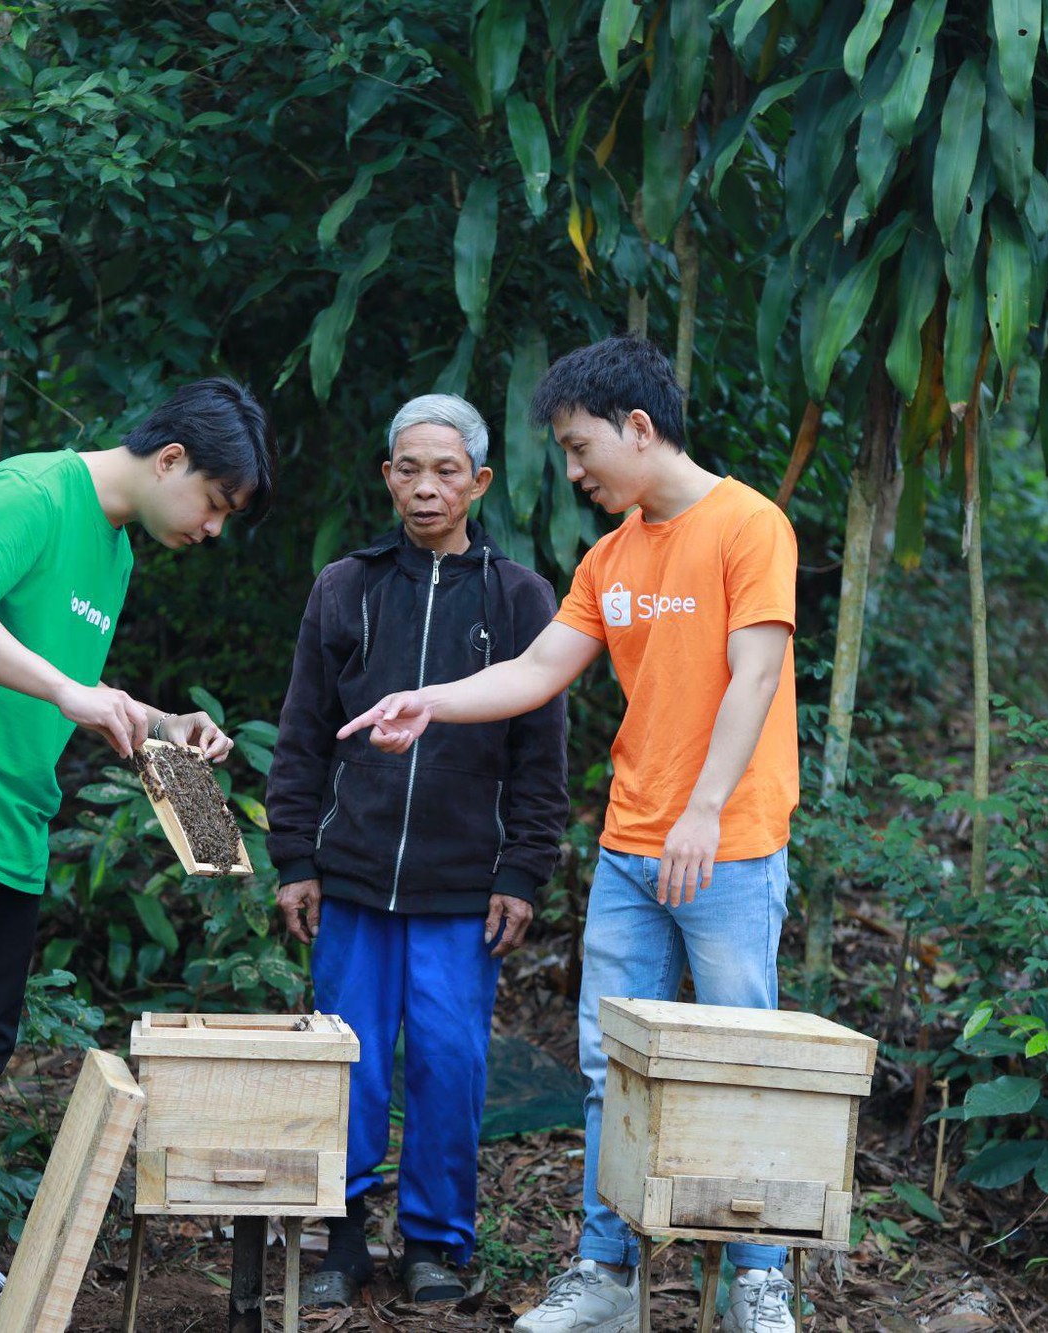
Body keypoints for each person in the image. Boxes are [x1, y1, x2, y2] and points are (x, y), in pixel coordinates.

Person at [338, 336, 801, 1333]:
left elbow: (755, 676)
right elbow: (537, 670)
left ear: (637, 428)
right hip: (631, 850)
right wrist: (431, 698)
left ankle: (757, 1276)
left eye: (581, 447)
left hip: (729, 841)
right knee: (608, 1062)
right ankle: (606, 1269)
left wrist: (704, 809)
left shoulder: (746, 526)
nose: (576, 471)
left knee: (738, 1060)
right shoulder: (611, 553)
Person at [0, 378, 273, 1333]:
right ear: (170, 461)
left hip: (9, 821)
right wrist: (74, 697)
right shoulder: (29, 492)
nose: (212, 530)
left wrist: (161, 720)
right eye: (215, 504)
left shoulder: (113, 549)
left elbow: (62, 678)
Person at [267, 394, 568, 1306]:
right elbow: (302, 734)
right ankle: (342, 1236)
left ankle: (436, 1241)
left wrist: (522, 869)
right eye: (408, 468)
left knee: (448, 1063)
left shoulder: (519, 597)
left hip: (458, 888)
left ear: (479, 482)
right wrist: (294, 857)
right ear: (387, 476)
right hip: (352, 877)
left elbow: (541, 754)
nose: (425, 488)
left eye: (446, 471)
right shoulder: (345, 586)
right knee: (347, 1060)